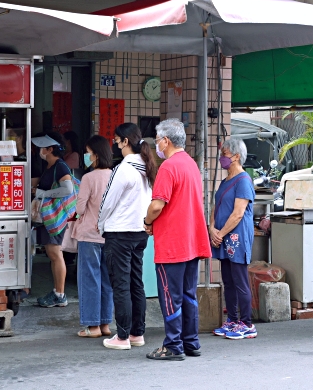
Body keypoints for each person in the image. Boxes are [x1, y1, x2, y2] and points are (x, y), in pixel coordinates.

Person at [143, 119, 211, 360]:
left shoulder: (168, 167)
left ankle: (173, 345)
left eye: (157, 140)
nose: (156, 145)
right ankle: (190, 342)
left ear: (166, 141)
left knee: (170, 296)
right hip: (192, 241)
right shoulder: (191, 164)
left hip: (172, 244)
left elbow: (156, 205)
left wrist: (148, 222)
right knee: (188, 294)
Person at [99, 123, 157, 351]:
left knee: (121, 285)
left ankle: (122, 336)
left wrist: (100, 224)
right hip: (139, 232)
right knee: (136, 283)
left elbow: (108, 201)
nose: (115, 144)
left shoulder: (123, 169)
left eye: (116, 140)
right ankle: (136, 333)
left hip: (119, 233)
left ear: (125, 141)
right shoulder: (147, 167)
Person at [209, 138, 257, 340]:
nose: (222, 158)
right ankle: (233, 320)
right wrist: (211, 227)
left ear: (236, 156)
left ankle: (247, 323)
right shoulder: (225, 180)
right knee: (228, 280)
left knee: (240, 280)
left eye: (225, 154)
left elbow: (238, 213)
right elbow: (216, 206)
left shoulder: (244, 180)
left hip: (236, 237)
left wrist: (219, 233)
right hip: (222, 236)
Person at [74, 135, 115, 338]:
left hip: (90, 234)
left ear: (96, 155)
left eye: (88, 153)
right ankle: (106, 323)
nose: (87, 156)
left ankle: (92, 326)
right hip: (111, 235)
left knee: (90, 279)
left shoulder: (88, 178)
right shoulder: (115, 175)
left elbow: (80, 208)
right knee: (107, 280)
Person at [31, 132, 74, 308]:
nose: (39, 151)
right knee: (52, 253)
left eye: (41, 148)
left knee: (55, 254)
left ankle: (60, 294)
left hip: (55, 217)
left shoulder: (60, 166)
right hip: (49, 217)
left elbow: (68, 189)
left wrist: (43, 193)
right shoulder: (50, 166)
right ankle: (58, 292)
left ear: (49, 149)